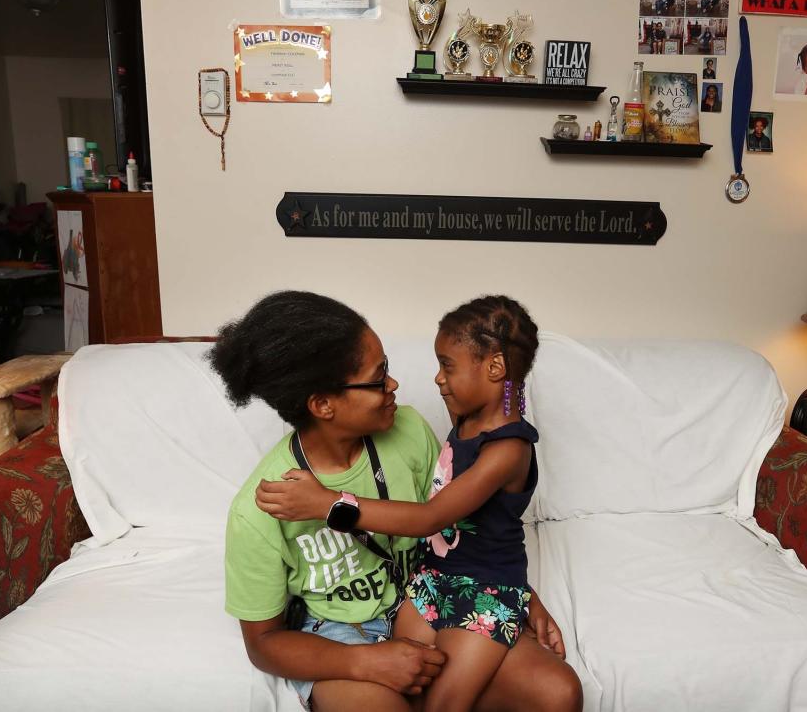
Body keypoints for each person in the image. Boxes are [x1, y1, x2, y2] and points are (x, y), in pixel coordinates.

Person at [215, 292, 581, 712]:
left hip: (422, 599)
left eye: (386, 367)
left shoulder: (407, 429)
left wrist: (519, 595)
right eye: (377, 378)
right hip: (335, 636)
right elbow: (263, 644)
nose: (394, 385)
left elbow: (455, 524)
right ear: (322, 404)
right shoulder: (260, 505)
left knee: (558, 692)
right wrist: (365, 661)